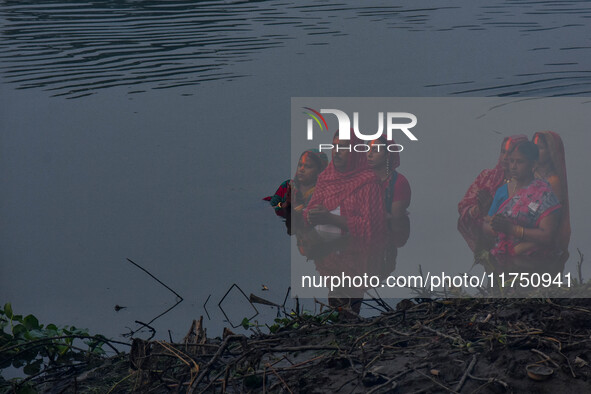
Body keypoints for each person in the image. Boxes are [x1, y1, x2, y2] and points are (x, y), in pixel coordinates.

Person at [303, 132, 386, 313]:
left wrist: (329, 219)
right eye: (334, 146)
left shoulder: (368, 182)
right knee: (334, 305)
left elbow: (370, 228)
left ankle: (351, 317)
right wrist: (310, 216)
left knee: (350, 302)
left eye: (343, 147)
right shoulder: (326, 178)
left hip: (356, 256)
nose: (336, 152)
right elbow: (309, 211)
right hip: (325, 254)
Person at [484, 141, 561, 274]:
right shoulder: (503, 190)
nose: (513, 166)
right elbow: (488, 224)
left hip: (533, 267)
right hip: (503, 262)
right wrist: (493, 225)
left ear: (534, 164)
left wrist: (512, 229)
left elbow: (548, 236)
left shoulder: (544, 194)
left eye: (519, 162)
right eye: (511, 161)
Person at [457, 135, 528, 253]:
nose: (505, 157)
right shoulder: (487, 177)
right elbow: (463, 207)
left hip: (519, 249)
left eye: (510, 153)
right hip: (488, 245)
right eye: (503, 152)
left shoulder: (529, 183)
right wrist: (478, 209)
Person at [533, 131, 570, 269]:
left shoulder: (553, 181)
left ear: (551, 153)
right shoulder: (527, 173)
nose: (536, 151)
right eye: (534, 147)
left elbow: (554, 215)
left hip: (542, 236)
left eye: (540, 148)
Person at [264, 149, 328, 224]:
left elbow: (309, 219)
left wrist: (291, 207)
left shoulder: (321, 194)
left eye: (308, 166)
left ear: (320, 171)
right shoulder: (287, 185)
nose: (301, 169)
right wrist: (283, 206)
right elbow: (270, 206)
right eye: (300, 165)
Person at [366, 135, 411, 219]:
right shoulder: (362, 180)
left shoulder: (399, 182)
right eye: (368, 150)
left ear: (388, 154)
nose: (369, 155)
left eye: (375, 150)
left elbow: (396, 220)